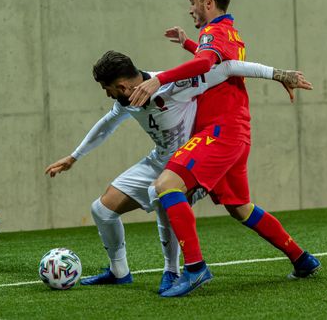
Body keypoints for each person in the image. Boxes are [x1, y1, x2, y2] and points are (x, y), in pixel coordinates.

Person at [45, 50, 311, 294]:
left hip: (193, 160)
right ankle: (119, 271)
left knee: (164, 193)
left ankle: (172, 272)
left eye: (108, 89)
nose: (108, 95)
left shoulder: (175, 83)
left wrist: (279, 74)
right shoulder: (127, 101)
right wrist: (74, 157)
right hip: (159, 160)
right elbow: (107, 125)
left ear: (122, 86)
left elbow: (228, 67)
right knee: (102, 210)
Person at [129, 0, 321, 297]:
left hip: (222, 131)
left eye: (193, 2)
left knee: (166, 185)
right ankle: (302, 259)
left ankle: (195, 269)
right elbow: (222, 66)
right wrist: (188, 42)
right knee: (241, 207)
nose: (190, 9)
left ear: (208, 2)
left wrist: (157, 79)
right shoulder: (227, 33)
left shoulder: (214, 32)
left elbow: (206, 63)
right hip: (234, 131)